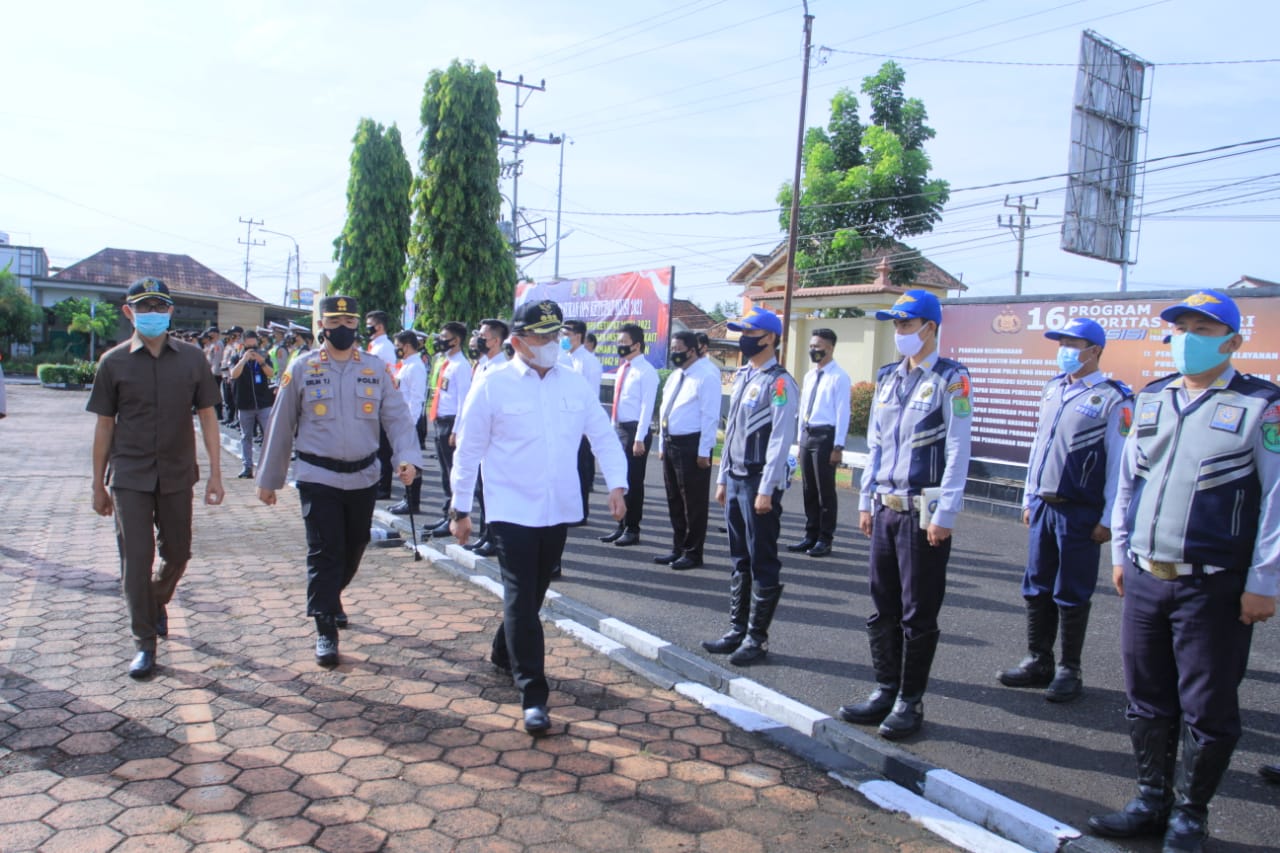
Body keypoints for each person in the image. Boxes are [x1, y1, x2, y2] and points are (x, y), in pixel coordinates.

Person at [1088, 289, 1279, 853]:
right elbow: (1127, 485)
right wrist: (1122, 555)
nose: (1187, 339)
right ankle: (1151, 800)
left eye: (1202, 329)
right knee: (1146, 695)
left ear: (1233, 341)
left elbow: (1277, 499)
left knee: (1207, 705)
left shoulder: (1261, 404)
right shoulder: (1152, 398)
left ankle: (1190, 816)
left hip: (1214, 584)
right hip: (1147, 576)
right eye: (1180, 328)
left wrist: (1263, 581)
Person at [450, 299, 628, 733]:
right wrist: (459, 509)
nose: (553, 343)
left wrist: (619, 485)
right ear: (518, 342)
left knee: (532, 592)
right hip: (510, 509)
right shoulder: (493, 384)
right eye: (543, 337)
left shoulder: (573, 383)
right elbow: (468, 450)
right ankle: (533, 692)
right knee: (519, 592)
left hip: (558, 508)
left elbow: (602, 435)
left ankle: (503, 649)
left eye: (556, 335)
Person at [256, 295, 421, 668]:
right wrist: (270, 478)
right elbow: (281, 425)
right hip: (318, 476)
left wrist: (407, 458)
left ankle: (331, 595)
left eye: (350, 322)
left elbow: (396, 418)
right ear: (322, 327)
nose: (343, 329)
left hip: (363, 476)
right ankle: (325, 627)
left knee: (355, 545)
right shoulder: (302, 368)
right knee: (325, 550)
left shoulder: (375, 369)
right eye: (336, 323)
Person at [838, 289, 972, 740]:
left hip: (922, 513)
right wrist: (864, 499)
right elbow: (876, 444)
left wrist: (946, 511)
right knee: (883, 605)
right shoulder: (888, 377)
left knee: (918, 611)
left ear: (930, 328)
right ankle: (884, 689)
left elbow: (957, 448)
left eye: (907, 324)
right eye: (896, 325)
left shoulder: (952, 379)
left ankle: (910, 701)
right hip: (885, 507)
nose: (900, 333)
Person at [86, 277, 225, 679]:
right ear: (129, 312)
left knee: (178, 554)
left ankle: (154, 601)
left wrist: (216, 474)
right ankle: (144, 642)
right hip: (129, 474)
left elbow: (209, 418)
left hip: (178, 473)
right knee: (137, 559)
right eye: (143, 307)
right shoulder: (113, 362)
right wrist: (98, 484)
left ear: (170, 312)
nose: (152, 314)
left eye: (159, 307)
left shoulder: (192, 360)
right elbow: (104, 427)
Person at [998, 318, 1132, 703]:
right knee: (1037, 585)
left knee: (1071, 591)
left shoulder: (1113, 397)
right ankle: (1038, 659)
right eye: (1062, 342)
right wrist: (1028, 498)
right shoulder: (1053, 389)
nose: (1066, 350)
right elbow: (1037, 448)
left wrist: (1108, 519)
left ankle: (1069, 670)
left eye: (1074, 343)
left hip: (1080, 513)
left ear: (1095, 351)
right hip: (1043, 505)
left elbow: (1118, 463)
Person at [701, 307, 799, 666]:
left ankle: (757, 639)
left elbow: (780, 439)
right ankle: (736, 629)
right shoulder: (744, 375)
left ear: (770, 338)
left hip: (760, 480)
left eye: (750, 332)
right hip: (737, 478)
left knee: (762, 560)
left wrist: (767, 488)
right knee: (739, 558)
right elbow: (730, 435)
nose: (743, 338)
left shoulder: (780, 382)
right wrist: (723, 476)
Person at [654, 330, 721, 570]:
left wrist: (705, 451)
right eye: (672, 349)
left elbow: (710, 416)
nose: (674, 354)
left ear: (692, 350)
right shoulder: (676, 376)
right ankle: (678, 547)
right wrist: (662, 442)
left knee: (693, 502)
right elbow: (665, 410)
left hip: (692, 446)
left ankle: (693, 553)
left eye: (678, 350)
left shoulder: (706, 375)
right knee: (674, 500)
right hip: (672, 443)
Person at [789, 329, 851, 559]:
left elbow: (843, 412)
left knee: (825, 491)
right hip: (807, 434)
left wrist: (838, 446)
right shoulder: (809, 376)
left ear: (831, 348)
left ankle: (825, 539)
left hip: (826, 437)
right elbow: (803, 408)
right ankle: (810, 534)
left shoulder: (839, 377)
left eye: (819, 346)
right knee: (808, 489)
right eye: (812, 346)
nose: (814, 350)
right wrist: (798, 440)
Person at [599, 323, 658, 547]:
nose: (619, 346)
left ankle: (633, 528)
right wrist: (613, 428)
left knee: (634, 483)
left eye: (623, 343)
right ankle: (621, 526)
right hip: (620, 429)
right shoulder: (624, 368)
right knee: (621, 481)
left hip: (636, 432)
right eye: (619, 342)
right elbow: (618, 401)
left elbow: (646, 407)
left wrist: (639, 438)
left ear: (637, 344)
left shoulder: (646, 371)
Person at [463, 319, 509, 557]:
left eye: (484, 336)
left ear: (496, 341)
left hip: (493, 443)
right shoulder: (483, 365)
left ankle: (494, 539)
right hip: (480, 440)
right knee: (482, 491)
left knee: (492, 492)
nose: (479, 340)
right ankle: (485, 535)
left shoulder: (502, 369)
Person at [423, 322, 472, 537]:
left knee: (452, 475)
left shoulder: (461, 366)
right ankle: (445, 516)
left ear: (456, 340)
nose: (440, 341)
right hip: (440, 420)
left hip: (451, 423)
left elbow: (464, 402)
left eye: (445, 337)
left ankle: (453, 517)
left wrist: (456, 430)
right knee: (445, 473)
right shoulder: (445, 363)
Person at [561, 320, 603, 524]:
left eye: (565, 334)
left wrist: (586, 427)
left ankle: (581, 513)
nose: (562, 339)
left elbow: (591, 396)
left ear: (577, 336)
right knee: (566, 469)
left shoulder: (588, 361)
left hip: (580, 426)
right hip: (564, 424)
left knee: (581, 470)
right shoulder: (565, 358)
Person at [388, 330, 428, 516]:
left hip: (410, 422)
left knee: (412, 463)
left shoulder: (416, 367)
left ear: (407, 346)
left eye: (398, 347)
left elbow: (417, 399)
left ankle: (413, 502)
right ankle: (407, 498)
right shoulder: (405, 365)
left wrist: (409, 425)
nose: (397, 350)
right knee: (404, 462)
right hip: (402, 421)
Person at [228, 329, 276, 479]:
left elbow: (271, 373)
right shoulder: (236, 357)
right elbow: (233, 374)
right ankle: (247, 467)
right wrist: (243, 360)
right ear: (243, 345)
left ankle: (268, 467)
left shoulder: (264, 356)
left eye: (254, 347)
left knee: (269, 435)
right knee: (246, 436)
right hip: (245, 403)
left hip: (264, 403)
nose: (252, 351)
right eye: (249, 347)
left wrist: (260, 361)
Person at [364, 310, 398, 498]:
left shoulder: (384, 348)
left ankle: (384, 487)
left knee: (383, 448)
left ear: (379, 326)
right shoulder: (375, 346)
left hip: (380, 402)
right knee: (376, 447)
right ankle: (378, 483)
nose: (367, 329)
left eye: (370, 325)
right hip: (372, 402)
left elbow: (384, 377)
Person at [203, 327, 225, 422]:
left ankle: (219, 414)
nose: (209, 335)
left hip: (217, 372)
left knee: (216, 394)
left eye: (211, 333)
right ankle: (217, 413)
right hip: (212, 371)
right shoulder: (213, 344)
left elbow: (217, 359)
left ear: (215, 333)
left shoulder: (218, 344)